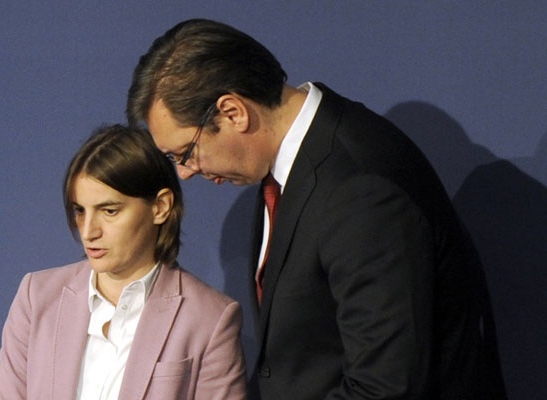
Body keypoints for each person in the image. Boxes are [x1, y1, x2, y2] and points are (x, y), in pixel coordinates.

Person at [126, 19, 507, 400]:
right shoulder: (293, 163)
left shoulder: (360, 189)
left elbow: (384, 388)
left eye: (186, 153)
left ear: (233, 112)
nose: (185, 172)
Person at [0, 124, 247, 399]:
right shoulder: (37, 296)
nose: (88, 232)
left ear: (160, 207)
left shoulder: (210, 318)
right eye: (80, 211)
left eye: (109, 211)